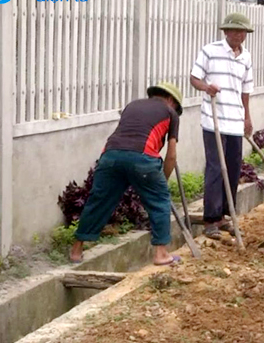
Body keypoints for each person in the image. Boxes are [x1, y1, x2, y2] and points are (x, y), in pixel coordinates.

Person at [70, 82, 183, 266]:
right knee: (160, 201)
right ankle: (161, 254)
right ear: (171, 100)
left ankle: (76, 250)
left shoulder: (132, 105)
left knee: (99, 200)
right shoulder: (170, 112)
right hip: (143, 157)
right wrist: (163, 179)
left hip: (110, 155)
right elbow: (171, 155)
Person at [190, 13, 254, 240]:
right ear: (226, 32)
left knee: (234, 168)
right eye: (235, 31)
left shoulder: (246, 57)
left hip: (235, 120)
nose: (239, 35)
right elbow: (194, 78)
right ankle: (210, 219)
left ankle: (224, 216)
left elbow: (246, 90)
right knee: (216, 168)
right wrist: (207, 87)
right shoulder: (210, 50)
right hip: (213, 118)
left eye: (243, 32)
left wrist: (247, 117)